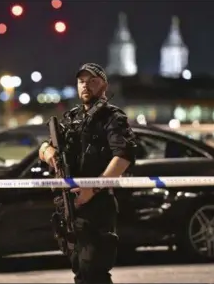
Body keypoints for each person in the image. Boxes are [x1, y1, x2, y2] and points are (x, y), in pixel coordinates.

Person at [38, 63, 137, 284]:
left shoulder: (112, 117)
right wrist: (48, 151)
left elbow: (123, 156)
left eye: (92, 81)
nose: (86, 85)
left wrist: (92, 189)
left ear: (104, 85)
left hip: (97, 204)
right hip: (70, 206)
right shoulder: (71, 118)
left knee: (94, 272)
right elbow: (43, 147)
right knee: (81, 272)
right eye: (82, 81)